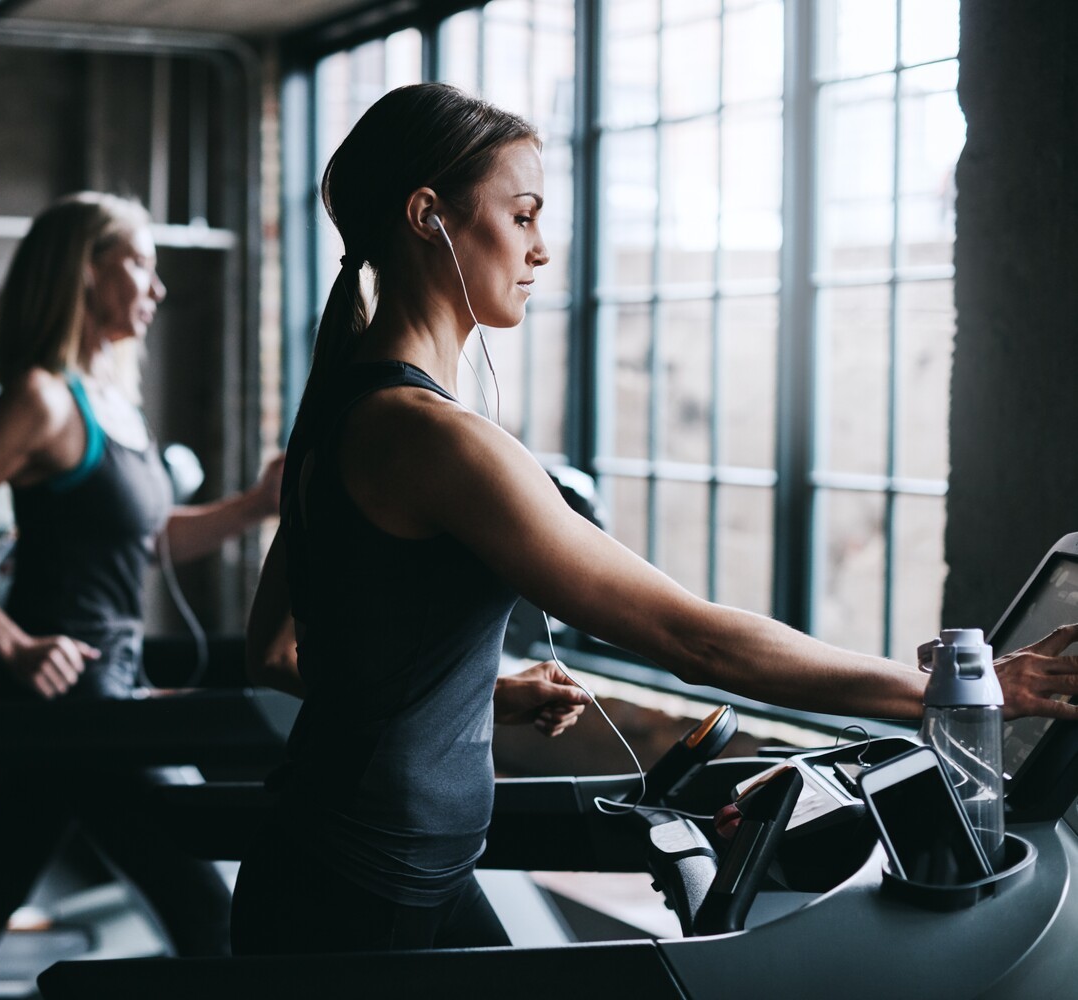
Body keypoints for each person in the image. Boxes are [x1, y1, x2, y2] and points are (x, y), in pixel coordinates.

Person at [234, 82, 1078, 956]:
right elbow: (691, 640)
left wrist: (476, 692)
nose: (541, 249)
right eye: (521, 216)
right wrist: (942, 694)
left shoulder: (338, 409)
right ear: (427, 216)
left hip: (357, 865)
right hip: (368, 896)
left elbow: (279, 654)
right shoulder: (432, 438)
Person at [0, 191, 284, 999]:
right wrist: (9, 643)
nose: (157, 286)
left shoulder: (113, 404)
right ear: (85, 269)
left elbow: (149, 540)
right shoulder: (41, 398)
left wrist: (254, 505)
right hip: (70, 702)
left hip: (107, 692)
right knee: (206, 913)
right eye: (139, 263)